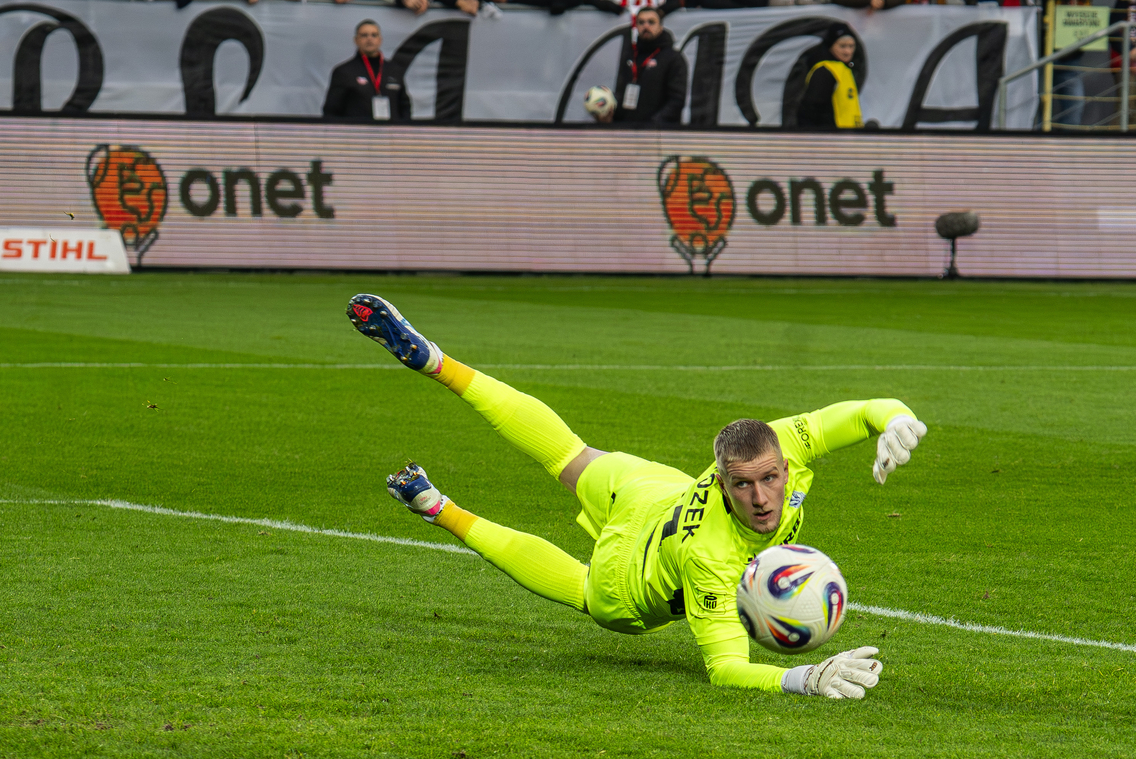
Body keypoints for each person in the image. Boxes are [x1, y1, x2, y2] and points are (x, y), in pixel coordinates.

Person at [347, 293, 911, 695]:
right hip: (628, 581)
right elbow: (726, 669)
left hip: (655, 493)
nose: (762, 497)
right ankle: (441, 503)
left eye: (770, 479)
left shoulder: (780, 443)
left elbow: (864, 411)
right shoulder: (711, 561)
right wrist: (802, 677)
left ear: (785, 464)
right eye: (743, 485)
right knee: (582, 587)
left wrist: (896, 419)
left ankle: (438, 373)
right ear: (722, 482)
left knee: (569, 454)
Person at [1035, 0, 1120, 128]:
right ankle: (1036, 140)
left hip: (1071, 54)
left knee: (1075, 105)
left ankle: (1066, 143)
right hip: (1046, 51)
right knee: (1038, 102)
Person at [323, 19, 411, 121]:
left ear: (380, 40)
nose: (369, 39)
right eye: (364, 35)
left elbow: (404, 106)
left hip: (390, 130)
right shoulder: (344, 72)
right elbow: (331, 110)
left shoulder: (394, 70)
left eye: (374, 35)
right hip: (357, 130)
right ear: (356, 40)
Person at [796, 22, 862, 130]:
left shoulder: (844, 69)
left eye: (851, 46)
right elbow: (810, 110)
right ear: (831, 45)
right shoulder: (825, 70)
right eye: (842, 46)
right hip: (832, 136)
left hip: (846, 136)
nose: (847, 51)